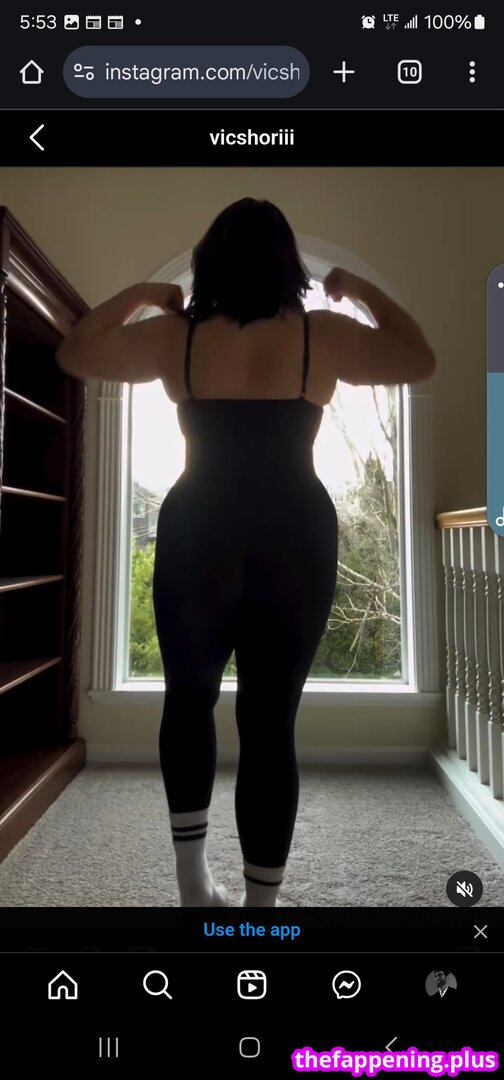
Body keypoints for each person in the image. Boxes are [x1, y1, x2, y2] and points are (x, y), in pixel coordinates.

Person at [56, 197, 436, 908]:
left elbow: (76, 350)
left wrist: (145, 293)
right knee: (270, 724)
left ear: (209, 264)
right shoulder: (322, 335)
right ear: (289, 265)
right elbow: (419, 357)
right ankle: (260, 913)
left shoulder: (177, 337)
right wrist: (362, 289)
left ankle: (194, 889)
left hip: (198, 534)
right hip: (295, 538)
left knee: (188, 701)